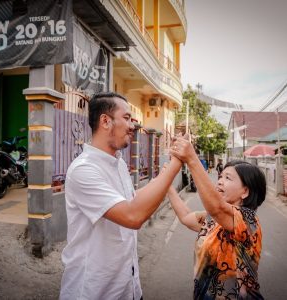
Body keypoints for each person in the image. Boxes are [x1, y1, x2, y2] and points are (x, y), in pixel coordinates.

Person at [59, 92, 182, 300]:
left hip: (129, 288)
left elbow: (132, 199)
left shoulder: (119, 163)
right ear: (105, 121)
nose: (133, 125)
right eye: (126, 118)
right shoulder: (84, 170)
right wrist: (177, 164)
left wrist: (164, 174)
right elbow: (132, 216)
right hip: (94, 292)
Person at [168, 136, 266, 299]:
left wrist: (192, 158)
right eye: (220, 176)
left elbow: (216, 207)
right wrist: (167, 185)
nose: (219, 181)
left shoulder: (249, 220)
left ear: (245, 192)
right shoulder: (214, 219)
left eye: (228, 178)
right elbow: (186, 217)